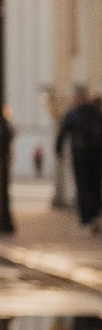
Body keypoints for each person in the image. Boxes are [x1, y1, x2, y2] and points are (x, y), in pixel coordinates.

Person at [55, 85, 102, 230]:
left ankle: (86, 218)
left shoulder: (73, 112)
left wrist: (58, 150)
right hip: (96, 154)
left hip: (80, 153)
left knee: (83, 185)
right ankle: (95, 213)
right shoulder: (95, 112)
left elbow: (63, 131)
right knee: (95, 184)